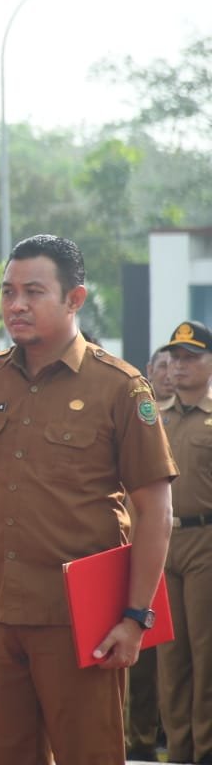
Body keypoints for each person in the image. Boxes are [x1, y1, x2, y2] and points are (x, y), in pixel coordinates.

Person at [0, 235, 176, 764]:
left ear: (75, 298)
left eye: (33, 292)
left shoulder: (119, 387)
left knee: (88, 755)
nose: (16, 305)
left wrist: (134, 617)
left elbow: (155, 510)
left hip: (82, 622)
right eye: (8, 292)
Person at [154, 321, 212, 763]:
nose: (179, 365)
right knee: (169, 657)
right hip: (163, 543)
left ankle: (204, 751)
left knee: (205, 655)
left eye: (191, 357)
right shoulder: (157, 417)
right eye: (175, 357)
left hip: (206, 541)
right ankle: (177, 751)